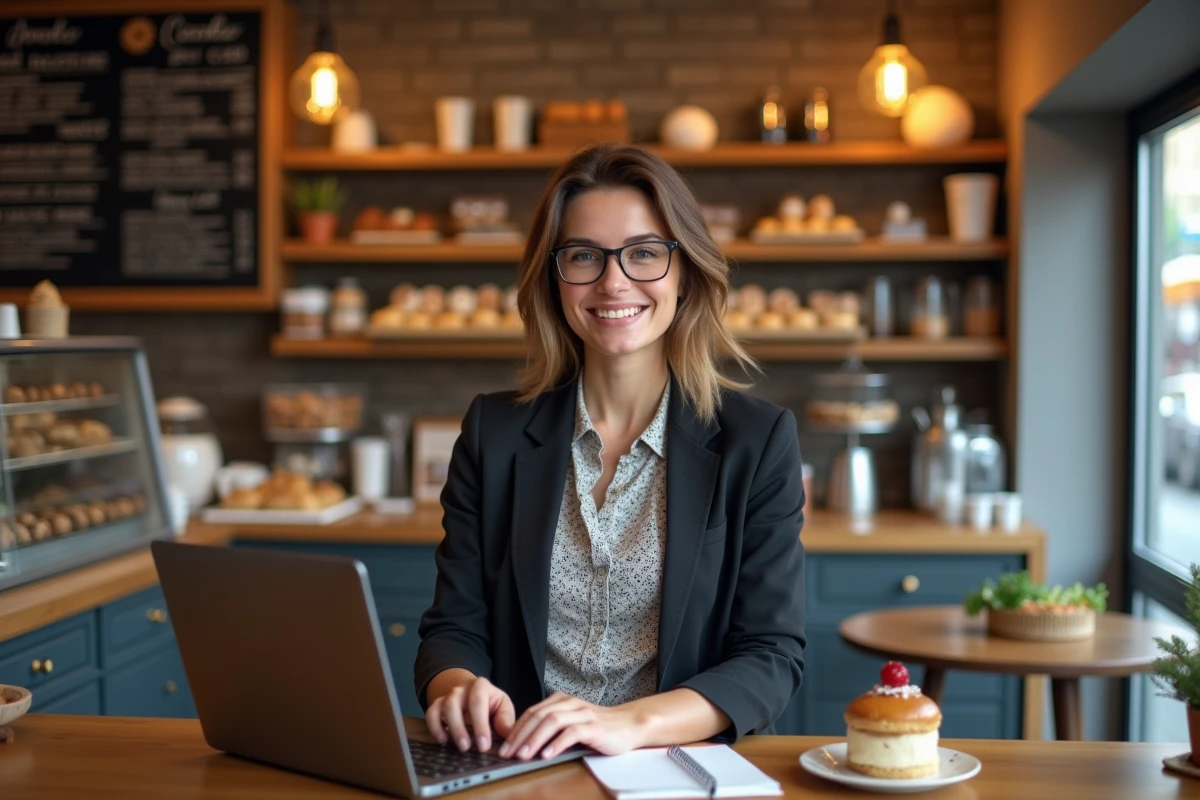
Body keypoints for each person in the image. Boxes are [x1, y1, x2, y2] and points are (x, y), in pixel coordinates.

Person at [414, 142, 806, 764]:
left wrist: (626, 724)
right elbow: (454, 627)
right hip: (519, 767)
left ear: (686, 272)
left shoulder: (755, 442)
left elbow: (770, 657)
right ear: (553, 274)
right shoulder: (494, 432)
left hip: (676, 768)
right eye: (583, 256)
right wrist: (459, 688)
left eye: (645, 253)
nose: (613, 281)